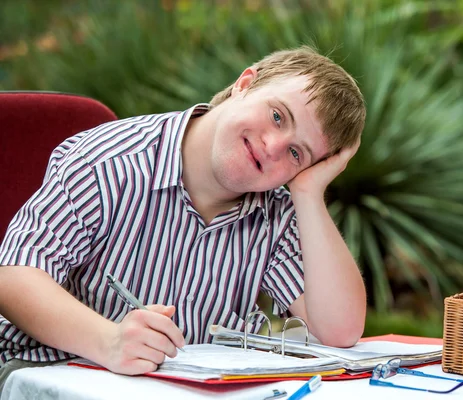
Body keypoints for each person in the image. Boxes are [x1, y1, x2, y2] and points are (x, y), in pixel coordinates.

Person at [0, 46, 367, 389]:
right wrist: (108, 341)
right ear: (244, 84)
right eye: (276, 116)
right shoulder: (108, 162)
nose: (273, 147)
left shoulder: (277, 211)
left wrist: (308, 193)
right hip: (54, 374)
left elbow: (339, 331)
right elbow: (15, 276)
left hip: (188, 389)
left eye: (296, 154)